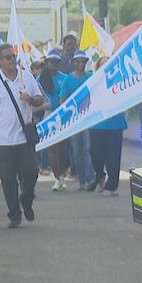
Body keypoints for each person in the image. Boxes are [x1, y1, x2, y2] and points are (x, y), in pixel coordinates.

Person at [0, 43, 45, 228]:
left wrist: (30, 99)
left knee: (31, 172)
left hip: (25, 138)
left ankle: (26, 199)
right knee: (8, 179)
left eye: (13, 56)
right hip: (4, 140)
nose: (12, 60)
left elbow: (40, 99)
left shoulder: (26, 78)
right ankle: (14, 213)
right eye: (8, 57)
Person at [88, 57, 127, 195]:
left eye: (108, 64)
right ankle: (100, 174)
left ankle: (112, 185)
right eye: (102, 64)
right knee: (95, 154)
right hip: (96, 124)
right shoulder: (92, 81)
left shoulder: (120, 80)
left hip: (115, 124)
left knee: (113, 157)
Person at [59, 50, 95, 190]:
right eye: (78, 61)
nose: (80, 64)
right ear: (74, 62)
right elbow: (63, 99)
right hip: (74, 120)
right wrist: (65, 116)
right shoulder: (68, 79)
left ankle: (90, 178)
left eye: (83, 62)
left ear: (86, 62)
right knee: (77, 150)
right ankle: (81, 180)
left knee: (88, 148)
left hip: (88, 118)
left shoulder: (91, 77)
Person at [38, 49, 69, 191]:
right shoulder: (40, 79)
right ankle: (57, 177)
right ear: (47, 63)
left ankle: (62, 174)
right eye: (51, 62)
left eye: (56, 62)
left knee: (62, 148)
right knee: (52, 149)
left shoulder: (65, 78)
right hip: (49, 115)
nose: (54, 65)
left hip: (62, 115)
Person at [30, 61, 52, 176]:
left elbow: (48, 103)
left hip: (36, 123)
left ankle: (41, 166)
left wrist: (36, 108)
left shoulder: (35, 84)